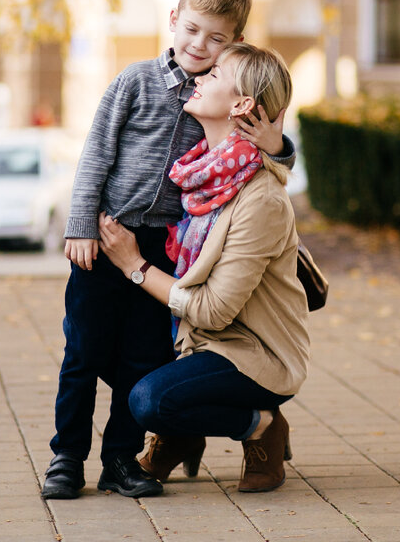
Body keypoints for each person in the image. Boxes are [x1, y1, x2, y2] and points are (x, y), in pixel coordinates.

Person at [41, 0, 296, 501]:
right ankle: (67, 456)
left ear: (235, 42)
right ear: (175, 19)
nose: (200, 46)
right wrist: (81, 225)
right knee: (84, 354)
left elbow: (262, 152)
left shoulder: (221, 93)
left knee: (141, 359)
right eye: (193, 29)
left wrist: (280, 147)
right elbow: (94, 158)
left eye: (217, 38)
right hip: (108, 237)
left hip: (163, 248)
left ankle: (120, 461)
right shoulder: (136, 82)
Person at [99, 43, 309, 494]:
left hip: (254, 353)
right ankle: (181, 432)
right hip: (198, 343)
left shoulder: (261, 199)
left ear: (240, 105)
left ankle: (262, 425)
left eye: (214, 75)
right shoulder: (201, 172)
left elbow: (213, 311)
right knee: (107, 351)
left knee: (148, 399)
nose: (198, 78)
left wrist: (134, 266)